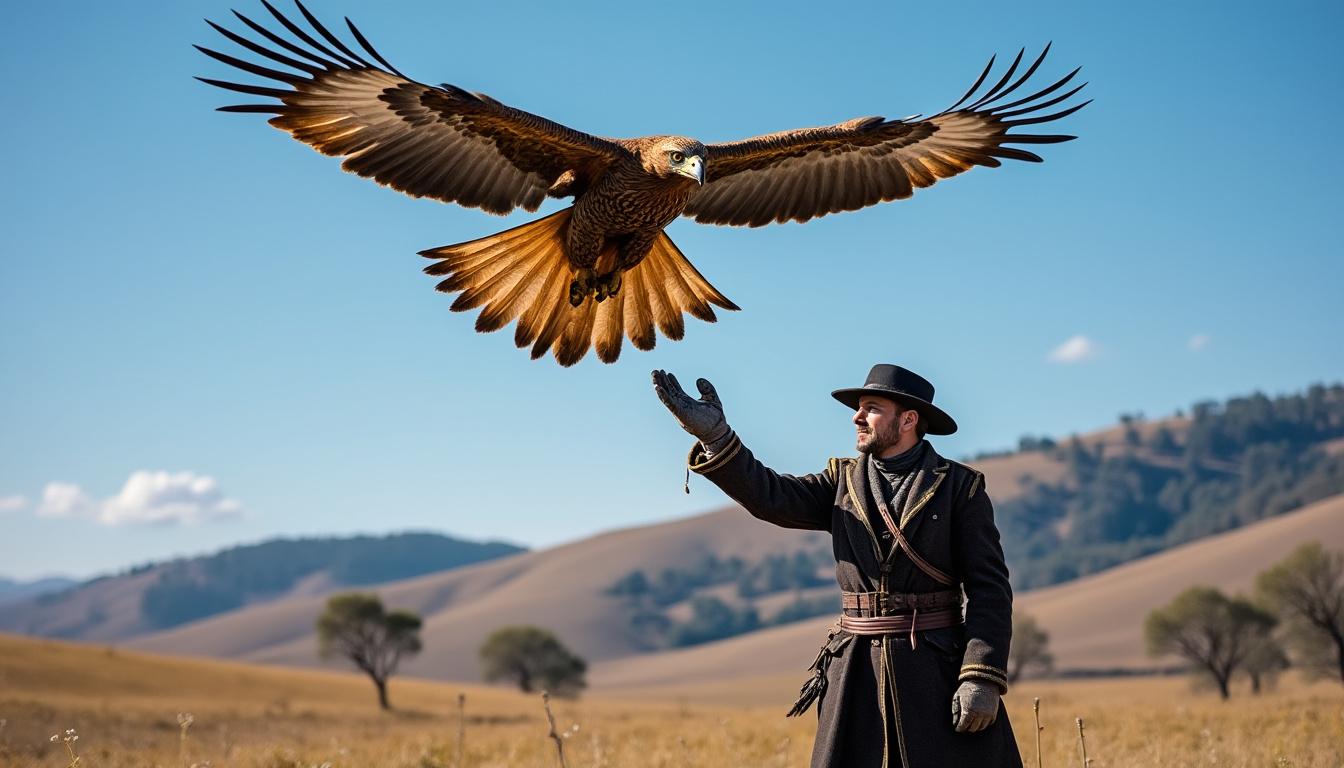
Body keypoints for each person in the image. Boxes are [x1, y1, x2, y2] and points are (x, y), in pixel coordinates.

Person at [652, 364, 1021, 768]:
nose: (856, 417)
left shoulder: (960, 487)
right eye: (859, 408)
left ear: (909, 419)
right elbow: (770, 496)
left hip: (938, 670)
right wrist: (716, 437)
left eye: (871, 408)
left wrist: (980, 676)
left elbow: (990, 590)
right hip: (855, 672)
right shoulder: (840, 481)